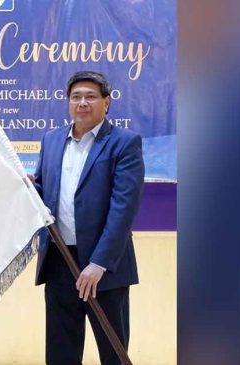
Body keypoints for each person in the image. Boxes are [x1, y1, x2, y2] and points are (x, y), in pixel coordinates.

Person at [33, 71, 144, 365]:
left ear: (106, 103)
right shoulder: (52, 140)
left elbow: (123, 209)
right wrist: (29, 188)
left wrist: (99, 264)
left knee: (113, 352)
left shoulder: (124, 143)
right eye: (76, 97)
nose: (82, 102)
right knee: (60, 353)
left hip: (105, 267)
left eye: (90, 96)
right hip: (59, 261)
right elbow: (45, 191)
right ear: (68, 103)